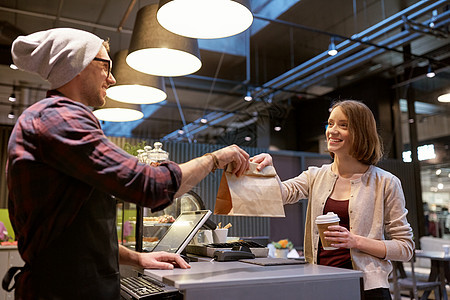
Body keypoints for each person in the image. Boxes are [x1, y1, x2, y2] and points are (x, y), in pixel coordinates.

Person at [5, 28, 250, 299]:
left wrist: (137, 258)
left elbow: (76, 235)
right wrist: (214, 158)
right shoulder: (58, 118)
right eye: (106, 65)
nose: (112, 78)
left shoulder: (52, 119)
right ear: (77, 64)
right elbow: (151, 186)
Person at [252, 100, 414, 300]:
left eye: (343, 125)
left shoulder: (386, 182)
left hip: (367, 289)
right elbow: (280, 195)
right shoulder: (315, 175)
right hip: (321, 285)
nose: (332, 130)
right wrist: (268, 169)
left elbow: (405, 248)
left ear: (361, 132)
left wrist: (355, 241)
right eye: (330, 123)